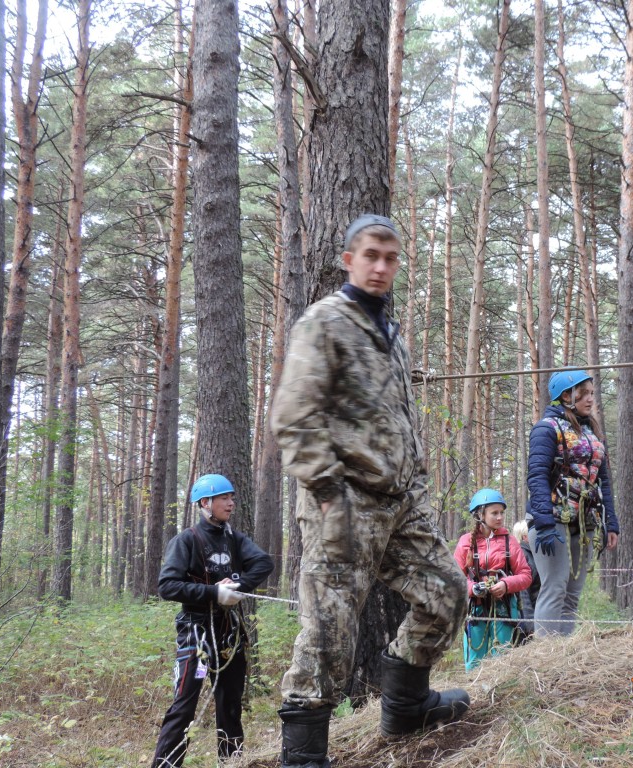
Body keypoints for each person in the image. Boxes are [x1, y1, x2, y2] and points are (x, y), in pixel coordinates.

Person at [270, 214, 469, 768]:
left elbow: (394, 416)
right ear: (348, 260)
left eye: (390, 258)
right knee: (329, 630)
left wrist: (415, 480)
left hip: (400, 501)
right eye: (370, 256)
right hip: (344, 502)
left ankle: (405, 706)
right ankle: (303, 756)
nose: (381, 267)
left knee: (447, 592)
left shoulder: (391, 334)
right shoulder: (324, 322)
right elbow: (292, 417)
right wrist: (328, 494)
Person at [150, 473, 274, 768]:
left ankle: (231, 764)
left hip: (228, 633)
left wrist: (239, 586)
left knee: (230, 705)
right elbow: (167, 586)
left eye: (232, 498)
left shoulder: (234, 539)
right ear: (205, 503)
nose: (231, 503)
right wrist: (214, 593)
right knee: (184, 707)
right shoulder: (187, 540)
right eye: (224, 498)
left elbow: (264, 563)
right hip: (196, 634)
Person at [526, 369, 619, 637]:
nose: (590, 399)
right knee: (554, 588)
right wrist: (544, 522)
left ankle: (564, 651)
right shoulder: (546, 428)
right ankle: (546, 654)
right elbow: (536, 476)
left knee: (572, 594)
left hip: (586, 521)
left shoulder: (592, 432)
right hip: (552, 520)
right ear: (566, 396)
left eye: (592, 393)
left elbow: (603, 481)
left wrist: (611, 523)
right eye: (584, 393)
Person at [454, 489, 532, 669]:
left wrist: (506, 584)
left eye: (501, 513)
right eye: (494, 513)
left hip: (504, 608)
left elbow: (525, 575)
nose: (500, 517)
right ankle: (474, 687)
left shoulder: (509, 541)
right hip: (476, 608)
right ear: (480, 515)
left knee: (503, 661)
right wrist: (472, 588)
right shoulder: (466, 542)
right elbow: (454, 578)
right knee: (474, 661)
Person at [511, 520, 540, 640]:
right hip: (525, 625)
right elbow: (523, 595)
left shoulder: (532, 554)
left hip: (535, 617)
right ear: (525, 537)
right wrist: (530, 626)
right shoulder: (523, 556)